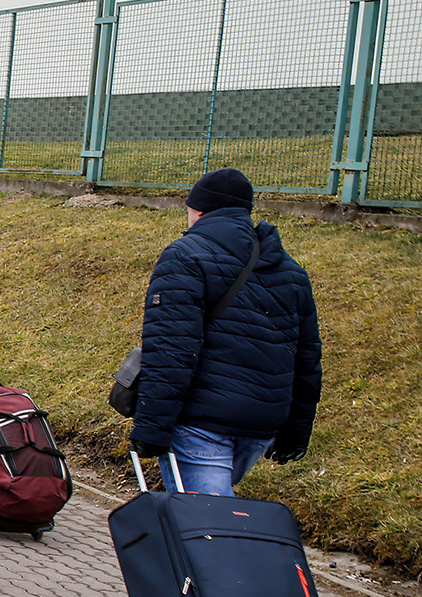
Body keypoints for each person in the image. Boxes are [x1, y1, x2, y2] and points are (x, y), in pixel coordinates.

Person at [131, 168, 320, 495]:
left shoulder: (184, 257)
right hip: (262, 425)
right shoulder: (291, 271)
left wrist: (152, 426)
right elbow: (306, 360)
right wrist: (296, 434)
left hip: (203, 424)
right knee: (206, 524)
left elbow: (172, 351)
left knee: (208, 530)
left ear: (199, 211)